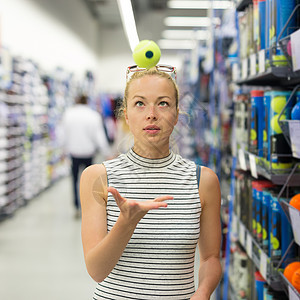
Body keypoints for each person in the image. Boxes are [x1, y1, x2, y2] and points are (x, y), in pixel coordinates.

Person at [80, 65, 222, 299]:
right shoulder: (99, 177)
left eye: (163, 103)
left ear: (177, 114)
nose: (152, 114)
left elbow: (210, 258)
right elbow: (96, 271)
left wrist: (204, 292)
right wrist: (125, 224)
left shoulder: (202, 181)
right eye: (140, 103)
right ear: (126, 114)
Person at [62, 94, 110, 217]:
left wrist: (63, 150)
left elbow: (63, 134)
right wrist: (106, 152)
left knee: (75, 181)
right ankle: (88, 206)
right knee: (89, 182)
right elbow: (99, 136)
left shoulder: (68, 114)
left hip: (74, 153)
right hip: (89, 153)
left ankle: (76, 207)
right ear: (87, 102)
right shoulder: (93, 116)